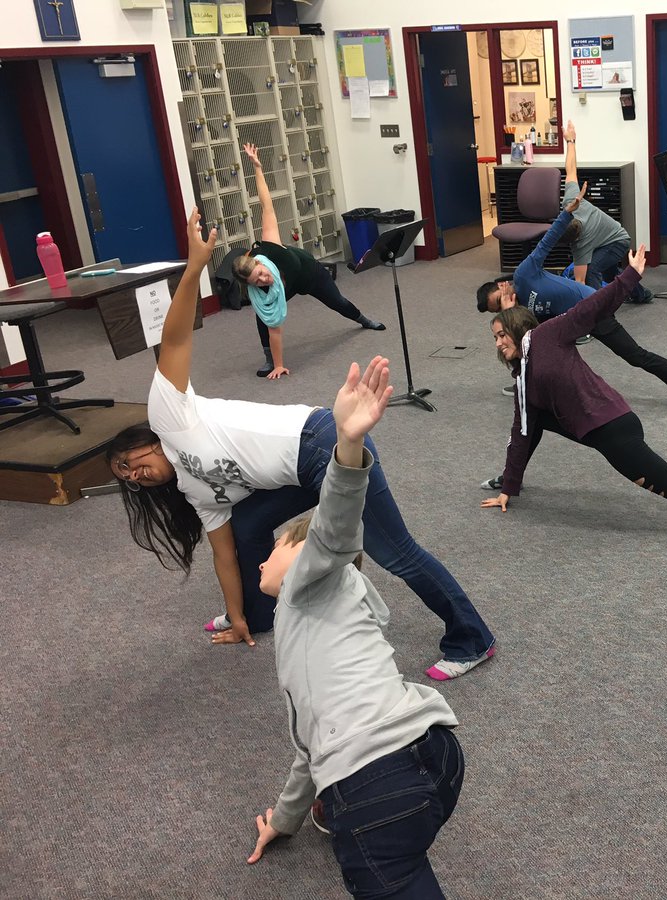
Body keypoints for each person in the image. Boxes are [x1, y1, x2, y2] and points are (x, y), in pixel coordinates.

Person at [106, 208, 495, 680]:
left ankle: (473, 637)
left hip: (319, 442)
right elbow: (225, 554)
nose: (134, 475)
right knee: (245, 526)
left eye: (128, 461)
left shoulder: (168, 417)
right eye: (125, 478)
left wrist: (193, 268)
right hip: (294, 472)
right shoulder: (196, 491)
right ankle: (261, 614)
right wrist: (238, 614)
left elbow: (174, 340)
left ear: (142, 442)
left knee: (394, 551)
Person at [245, 355, 465, 898]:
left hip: (374, 782)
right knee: (400, 854)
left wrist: (346, 447)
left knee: (387, 852)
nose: (260, 563)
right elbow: (308, 753)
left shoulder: (311, 581)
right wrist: (284, 820)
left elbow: (336, 530)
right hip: (435, 754)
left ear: (299, 549)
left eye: (271, 551)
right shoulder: (334, 611)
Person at [482, 243, 667, 535]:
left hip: (613, 430)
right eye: (495, 338)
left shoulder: (549, 334)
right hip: (598, 424)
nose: (498, 343)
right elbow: (522, 432)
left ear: (516, 328)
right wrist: (510, 484)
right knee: (531, 420)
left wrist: (630, 275)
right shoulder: (523, 376)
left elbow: (592, 306)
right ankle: (513, 479)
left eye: (501, 335)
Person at [476, 187, 667, 416]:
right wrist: (508, 313)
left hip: (592, 309)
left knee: (635, 356)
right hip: (570, 323)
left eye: (500, 298)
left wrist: (568, 212)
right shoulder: (515, 309)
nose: (506, 302)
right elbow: (523, 341)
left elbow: (546, 242)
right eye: (500, 307)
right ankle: (525, 382)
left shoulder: (524, 274)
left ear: (501, 285)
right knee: (531, 346)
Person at [232, 142, 385, 379]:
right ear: (250, 286)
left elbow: (266, 206)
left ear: (260, 262)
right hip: (288, 287)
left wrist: (258, 168)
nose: (264, 278)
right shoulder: (260, 292)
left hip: (309, 273)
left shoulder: (270, 247)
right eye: (258, 282)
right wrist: (279, 366)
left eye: (261, 272)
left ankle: (363, 319)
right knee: (263, 317)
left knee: (338, 302)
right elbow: (275, 327)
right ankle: (270, 358)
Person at [561, 119, 653, 303]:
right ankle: (640, 294)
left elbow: (580, 281)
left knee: (594, 269)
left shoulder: (581, 245)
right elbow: (571, 169)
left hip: (618, 239)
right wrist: (571, 141)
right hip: (603, 239)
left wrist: (581, 308)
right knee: (611, 273)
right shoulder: (571, 200)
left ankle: (599, 311)